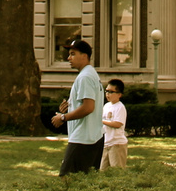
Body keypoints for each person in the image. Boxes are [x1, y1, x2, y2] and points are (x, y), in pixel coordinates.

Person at [51, 38, 104, 175]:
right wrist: (70, 108)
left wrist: (63, 117)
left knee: (66, 178)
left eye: (73, 54)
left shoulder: (85, 77)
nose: (69, 58)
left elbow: (88, 107)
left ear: (85, 56)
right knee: (85, 182)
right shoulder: (91, 74)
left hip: (82, 138)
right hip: (94, 137)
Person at [100, 78, 129, 169]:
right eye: (106, 91)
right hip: (106, 144)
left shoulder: (120, 107)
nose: (108, 94)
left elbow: (117, 124)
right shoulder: (106, 106)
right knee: (103, 171)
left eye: (111, 92)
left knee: (117, 171)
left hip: (117, 145)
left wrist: (101, 121)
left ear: (119, 94)